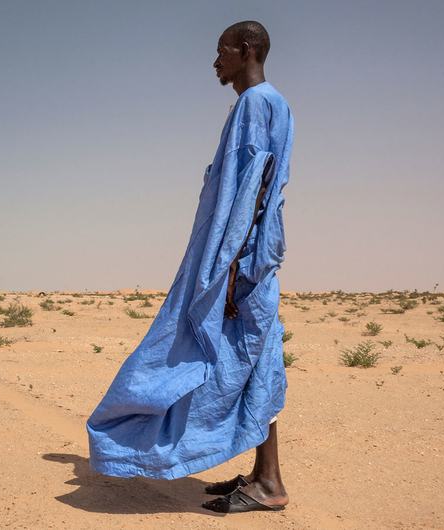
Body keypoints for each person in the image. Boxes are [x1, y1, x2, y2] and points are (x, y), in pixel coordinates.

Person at [85, 20, 293, 514]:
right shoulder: (264, 103)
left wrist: (228, 268)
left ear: (246, 50)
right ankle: (267, 476)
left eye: (221, 50)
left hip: (239, 263)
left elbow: (255, 189)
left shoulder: (257, 102)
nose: (214, 61)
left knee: (238, 359)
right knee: (252, 362)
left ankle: (269, 484)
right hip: (239, 258)